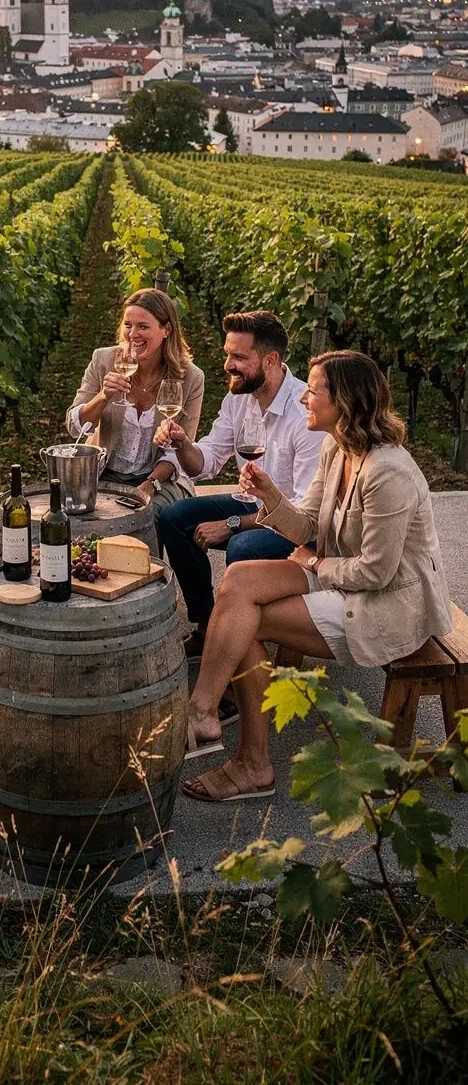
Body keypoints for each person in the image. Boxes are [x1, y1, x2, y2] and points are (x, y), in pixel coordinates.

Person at [182, 350, 452, 803]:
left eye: (314, 389)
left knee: (249, 618)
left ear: (344, 401)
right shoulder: (338, 447)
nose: (303, 397)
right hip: (343, 574)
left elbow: (375, 572)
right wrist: (270, 496)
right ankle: (205, 711)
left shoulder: (388, 473)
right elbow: (307, 525)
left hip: (389, 605)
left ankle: (250, 761)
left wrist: (312, 564)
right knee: (240, 581)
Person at [156, 311, 323, 658]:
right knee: (174, 517)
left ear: (271, 359)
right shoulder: (238, 398)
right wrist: (182, 443)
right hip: (255, 504)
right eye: (227, 354)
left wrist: (230, 524)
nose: (228, 365)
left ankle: (238, 653)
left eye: (239, 357)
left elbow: (305, 514)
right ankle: (206, 626)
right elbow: (206, 463)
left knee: (242, 548)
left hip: (297, 521)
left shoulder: (305, 412)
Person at [66, 289, 204, 528]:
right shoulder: (104, 361)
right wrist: (103, 396)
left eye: (143, 327)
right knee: (81, 517)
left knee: (149, 516)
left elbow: (177, 451)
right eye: (128, 325)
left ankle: (152, 565)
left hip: (159, 477)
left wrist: (149, 485)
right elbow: (74, 426)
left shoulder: (190, 378)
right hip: (104, 472)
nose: (133, 334)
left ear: (166, 330)